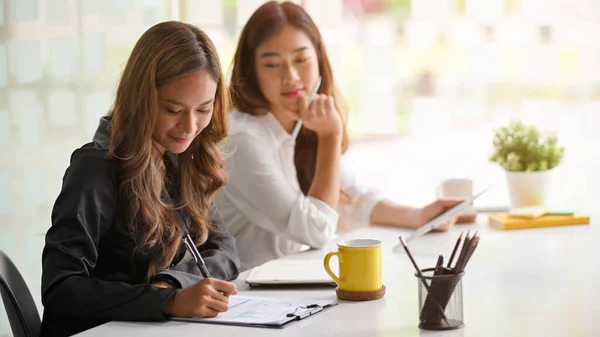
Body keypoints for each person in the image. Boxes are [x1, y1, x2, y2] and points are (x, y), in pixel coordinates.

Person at [215, 1, 461, 270]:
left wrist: (420, 215)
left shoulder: (299, 124)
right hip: (245, 296)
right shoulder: (241, 138)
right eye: (272, 64)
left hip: (288, 285)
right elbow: (316, 228)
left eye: (301, 59)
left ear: (319, 60)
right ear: (252, 71)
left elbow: (350, 198)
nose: (291, 77)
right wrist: (330, 138)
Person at [40, 21, 240, 337]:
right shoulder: (95, 168)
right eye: (173, 109)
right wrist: (166, 300)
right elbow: (61, 288)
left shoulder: (179, 158)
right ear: (141, 100)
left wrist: (173, 284)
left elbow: (225, 249)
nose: (189, 126)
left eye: (203, 109)